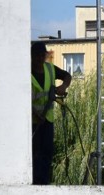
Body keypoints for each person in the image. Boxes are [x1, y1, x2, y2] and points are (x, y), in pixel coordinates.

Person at [31, 41, 71, 185]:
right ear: (31, 56)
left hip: (47, 120)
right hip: (31, 122)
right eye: (37, 56)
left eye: (43, 55)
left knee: (46, 152)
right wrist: (35, 114)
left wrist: (62, 87)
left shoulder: (50, 69)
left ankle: (44, 182)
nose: (40, 59)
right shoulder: (25, 72)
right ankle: (34, 182)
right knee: (33, 154)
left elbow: (67, 76)